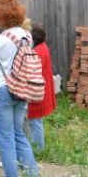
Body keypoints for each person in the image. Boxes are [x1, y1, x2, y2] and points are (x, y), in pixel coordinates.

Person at [0, 0, 39, 177]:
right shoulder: (27, 36)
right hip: (22, 88)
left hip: (1, 88)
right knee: (19, 133)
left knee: (5, 137)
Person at [27, 23, 56, 152]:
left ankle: (39, 150)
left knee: (35, 121)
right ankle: (38, 148)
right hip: (41, 88)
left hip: (36, 90)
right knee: (35, 121)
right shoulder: (43, 47)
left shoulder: (38, 51)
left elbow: (31, 71)